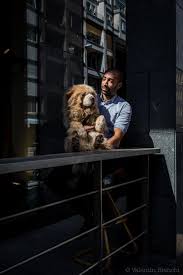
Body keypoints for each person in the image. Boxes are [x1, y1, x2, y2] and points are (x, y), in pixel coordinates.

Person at [85, 69, 132, 148]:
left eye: (110, 81)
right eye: (104, 79)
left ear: (119, 85)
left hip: (107, 150)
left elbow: (117, 136)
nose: (105, 83)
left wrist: (100, 149)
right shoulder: (92, 99)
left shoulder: (123, 106)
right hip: (86, 146)